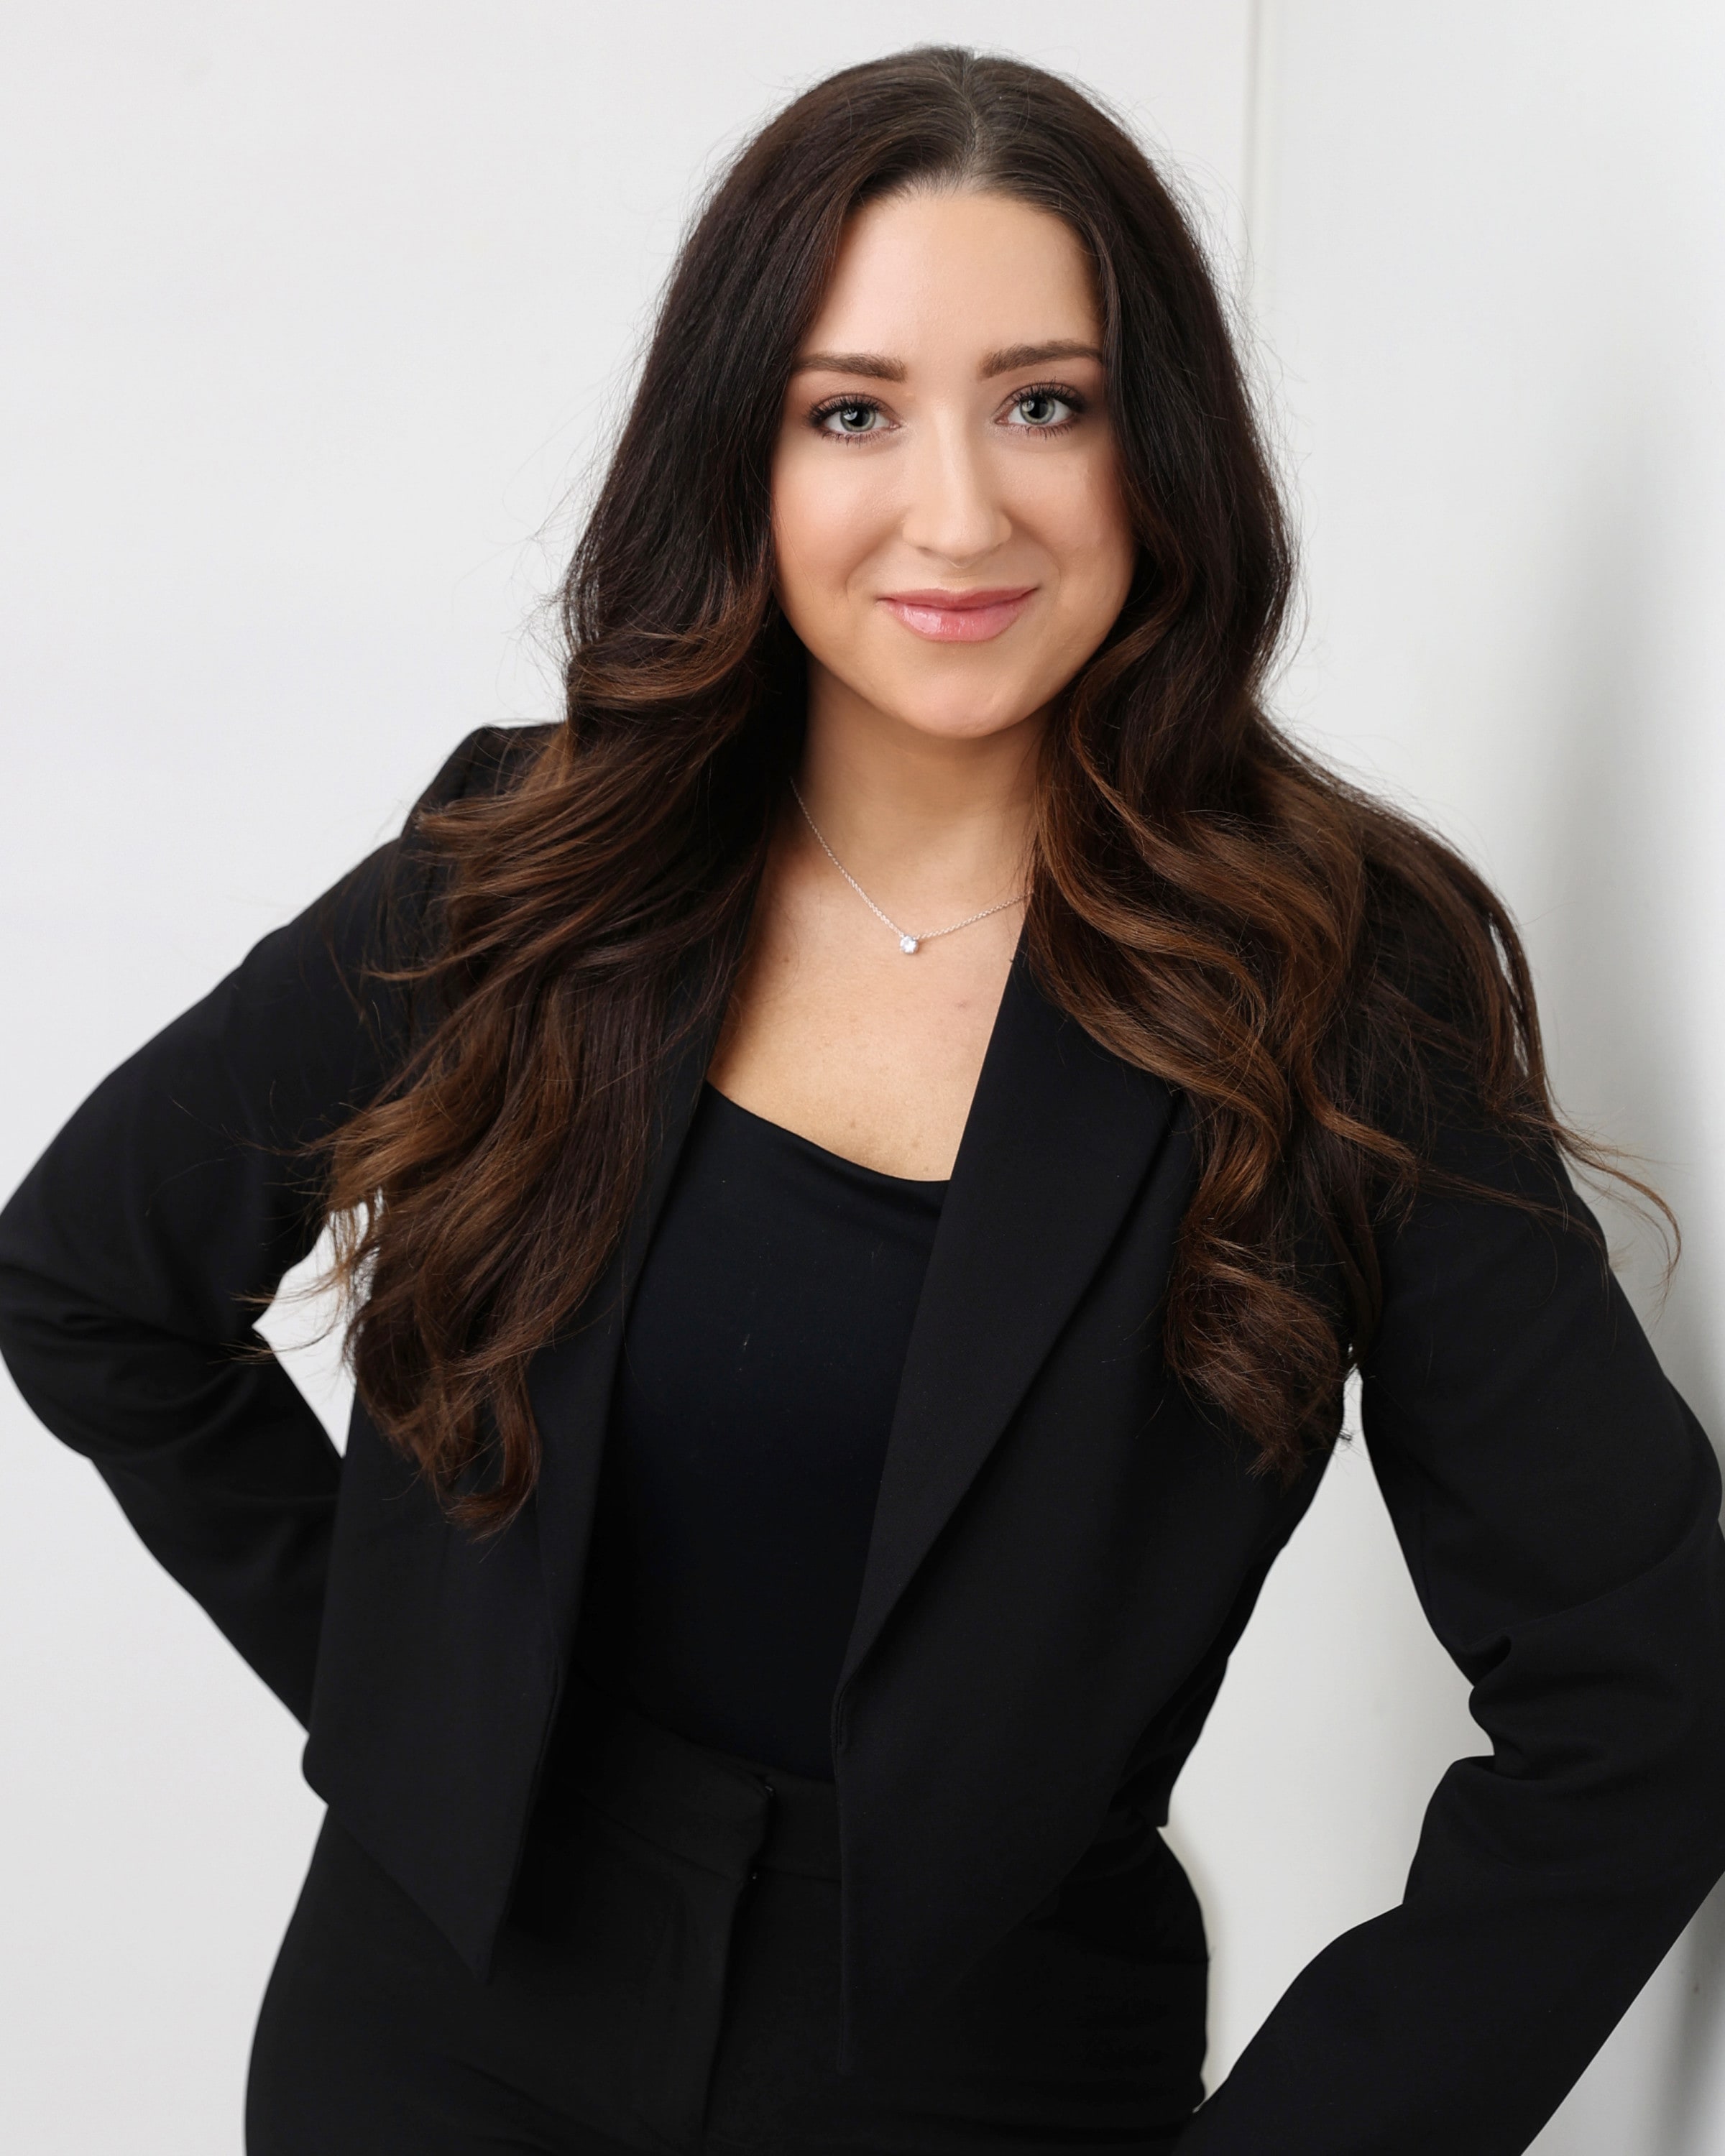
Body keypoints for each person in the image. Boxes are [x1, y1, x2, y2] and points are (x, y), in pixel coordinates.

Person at [1, 43, 1721, 2156]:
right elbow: (89, 1279)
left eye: (1046, 404)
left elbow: (1643, 1697)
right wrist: (423, 1711)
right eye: (853, 411)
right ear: (741, 452)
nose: (960, 512)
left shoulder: (1336, 990)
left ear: (1161, 450)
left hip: (985, 2076)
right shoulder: (530, 870)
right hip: (436, 2036)